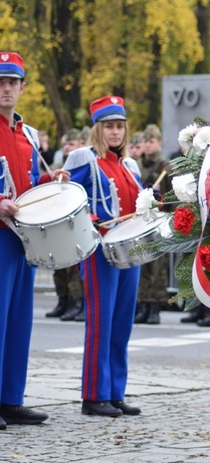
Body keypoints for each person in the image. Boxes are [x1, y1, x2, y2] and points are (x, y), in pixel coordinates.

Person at [0, 51, 70, 429]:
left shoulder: (27, 134)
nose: (6, 88)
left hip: (22, 237)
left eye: (12, 82)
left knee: (18, 321)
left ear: (23, 88)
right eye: (1, 82)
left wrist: (49, 181)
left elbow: (27, 185)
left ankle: (11, 398)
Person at [64, 96, 143, 418]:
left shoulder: (129, 165)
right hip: (99, 250)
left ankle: (115, 391)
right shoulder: (85, 160)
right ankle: (94, 394)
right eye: (109, 127)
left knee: (122, 322)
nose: (115, 133)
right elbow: (71, 200)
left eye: (120, 127)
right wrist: (93, 221)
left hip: (129, 248)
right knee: (101, 322)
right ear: (98, 130)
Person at [46, 128, 87, 322]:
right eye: (65, 145)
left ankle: (77, 302)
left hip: (74, 219)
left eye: (71, 144)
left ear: (80, 144)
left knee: (74, 267)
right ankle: (64, 300)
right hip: (56, 217)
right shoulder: (57, 166)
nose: (67, 148)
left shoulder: (83, 164)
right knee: (59, 264)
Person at [133, 124, 170, 325]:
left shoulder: (165, 167)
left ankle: (155, 305)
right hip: (141, 220)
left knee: (157, 267)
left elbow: (172, 195)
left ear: (159, 143)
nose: (147, 145)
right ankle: (143, 303)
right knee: (143, 264)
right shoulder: (137, 165)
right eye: (145, 142)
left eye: (151, 141)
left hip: (158, 220)